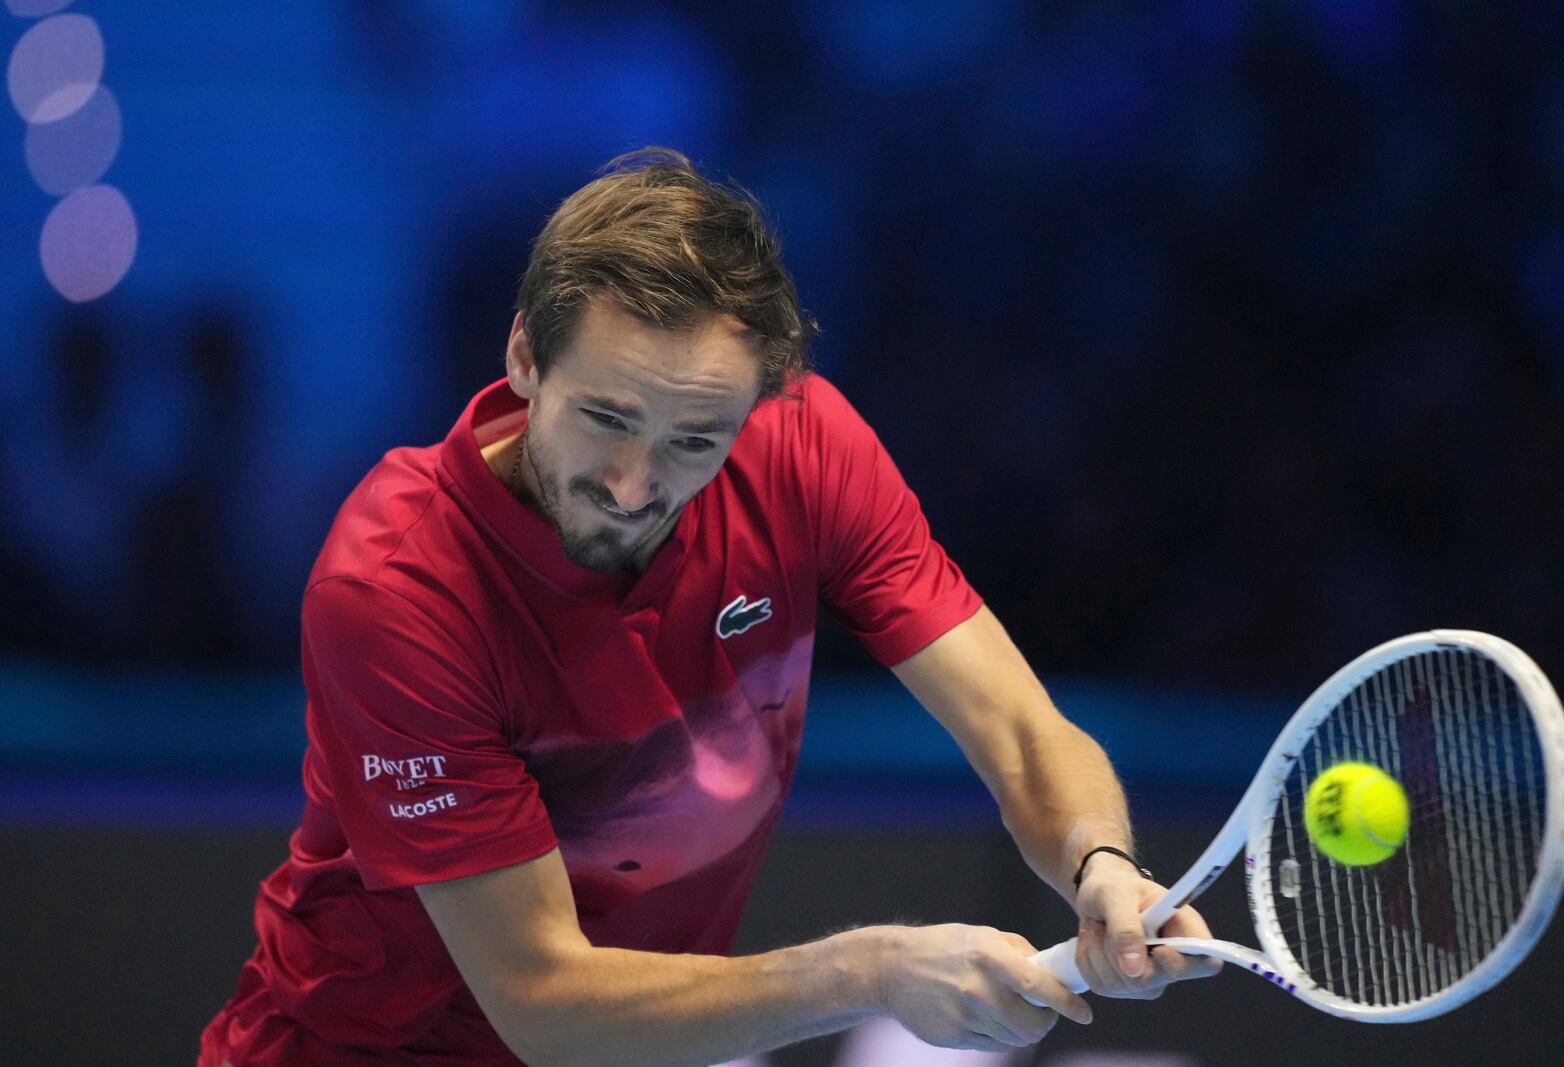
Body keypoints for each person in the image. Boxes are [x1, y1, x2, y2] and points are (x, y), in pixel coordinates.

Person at [199, 148, 1216, 1067]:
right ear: (523, 357)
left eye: (696, 437)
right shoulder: (398, 588)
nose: (636, 484)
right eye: (605, 417)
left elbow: (1019, 729)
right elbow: (543, 996)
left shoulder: (805, 447)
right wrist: (867, 971)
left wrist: (1101, 863)